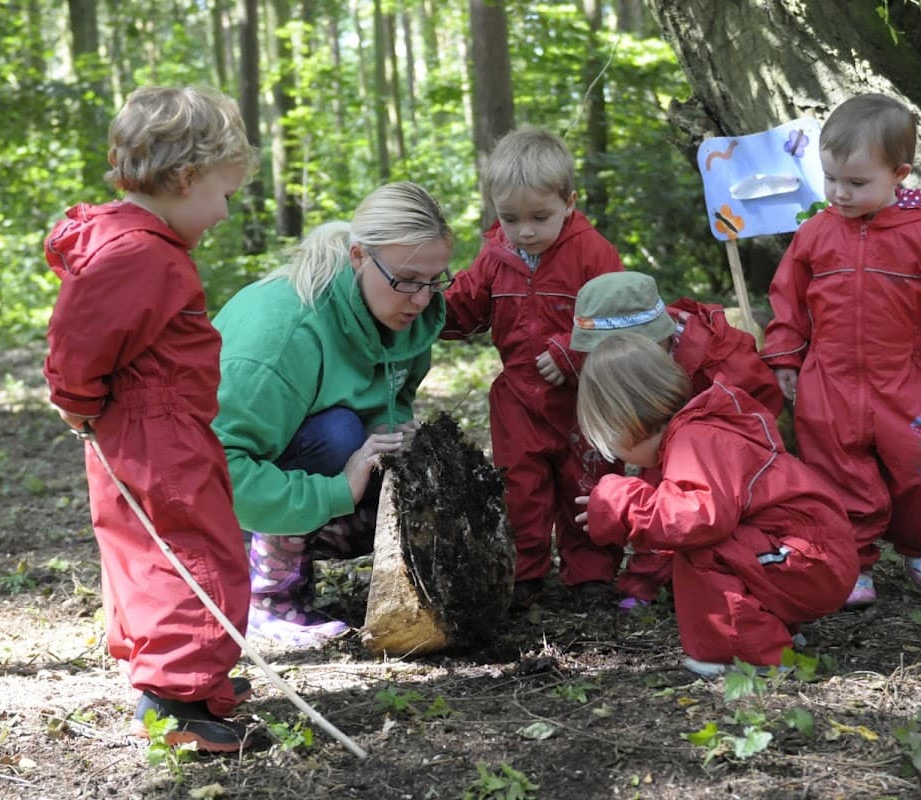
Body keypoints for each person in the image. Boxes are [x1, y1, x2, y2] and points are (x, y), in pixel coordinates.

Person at [43, 86, 261, 753]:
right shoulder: (139, 253)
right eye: (224, 195)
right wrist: (77, 400)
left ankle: (190, 680)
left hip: (161, 422)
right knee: (191, 550)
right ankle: (176, 698)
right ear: (186, 178)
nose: (225, 212)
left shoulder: (141, 245)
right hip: (154, 428)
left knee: (161, 549)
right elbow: (80, 338)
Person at [761, 93, 921, 609]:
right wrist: (786, 355)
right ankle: (854, 560)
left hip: (902, 376)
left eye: (857, 183)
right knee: (836, 472)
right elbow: (789, 301)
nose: (840, 193)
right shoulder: (813, 236)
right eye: (831, 179)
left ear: (899, 175)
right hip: (829, 381)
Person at [212, 182, 453, 646]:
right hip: (213, 500)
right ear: (359, 256)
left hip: (293, 480)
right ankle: (266, 597)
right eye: (407, 280)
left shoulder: (407, 315)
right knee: (337, 433)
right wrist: (339, 488)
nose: (422, 299)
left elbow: (393, 399)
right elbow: (219, 468)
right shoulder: (284, 334)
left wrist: (391, 432)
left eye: (435, 280)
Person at [574, 333, 857, 675]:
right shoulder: (703, 428)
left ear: (625, 425)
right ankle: (774, 631)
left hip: (810, 560)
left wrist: (619, 504)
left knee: (702, 549)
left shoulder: (693, 441)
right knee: (727, 541)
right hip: (812, 554)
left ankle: (750, 654)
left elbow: (698, 519)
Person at [441, 125, 626, 607]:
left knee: (586, 482)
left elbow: (622, 317)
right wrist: (425, 310)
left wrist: (573, 351)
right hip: (518, 398)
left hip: (586, 400)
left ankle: (592, 573)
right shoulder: (495, 256)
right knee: (519, 486)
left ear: (569, 202)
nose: (525, 231)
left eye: (540, 217)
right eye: (510, 218)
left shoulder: (593, 253)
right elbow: (466, 305)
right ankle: (524, 572)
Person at [570, 271, 784, 606]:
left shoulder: (720, 359)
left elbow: (759, 408)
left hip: (724, 465)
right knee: (662, 494)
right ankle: (653, 577)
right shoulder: (654, 352)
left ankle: (674, 580)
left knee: (682, 503)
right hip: (665, 443)